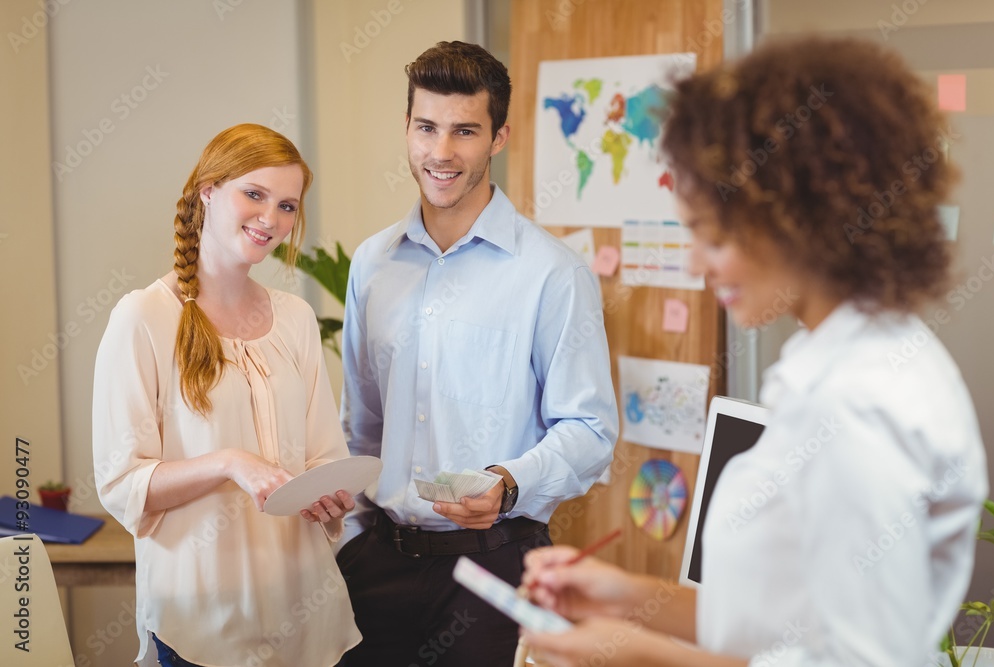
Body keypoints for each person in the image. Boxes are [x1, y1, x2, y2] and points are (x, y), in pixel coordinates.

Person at [520, 36, 989, 667]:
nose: (696, 263)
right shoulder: (841, 357)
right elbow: (786, 620)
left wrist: (631, 657)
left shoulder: (858, 402)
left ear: (799, 217)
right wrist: (630, 597)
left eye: (711, 236)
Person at [336, 41, 619, 666]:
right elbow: (361, 423)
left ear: (499, 137)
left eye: (465, 131)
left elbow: (591, 429)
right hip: (376, 565)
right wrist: (351, 543)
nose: (441, 153)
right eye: (426, 128)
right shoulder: (372, 264)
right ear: (406, 129)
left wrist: (509, 483)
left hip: (494, 567)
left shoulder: (553, 275)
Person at [93, 123, 361, 667]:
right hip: (199, 625)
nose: (272, 219)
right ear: (208, 190)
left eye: (287, 205)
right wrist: (229, 463)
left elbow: (322, 457)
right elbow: (123, 483)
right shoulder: (144, 317)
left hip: (305, 618)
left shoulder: (296, 318)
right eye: (255, 194)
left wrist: (328, 495)